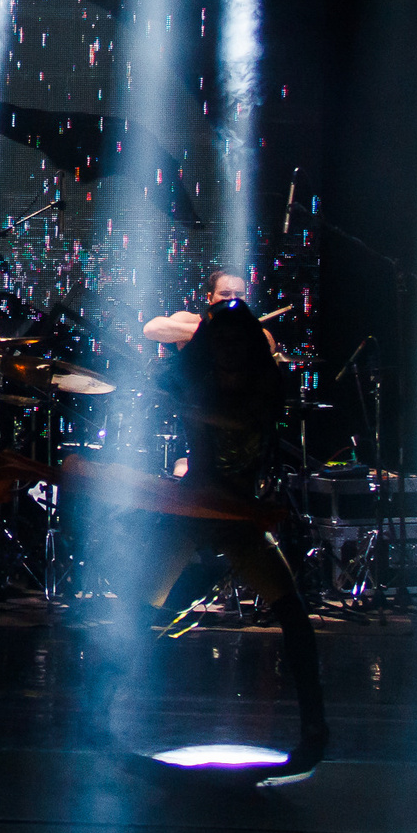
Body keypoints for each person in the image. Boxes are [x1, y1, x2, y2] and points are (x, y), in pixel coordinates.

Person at [122, 269, 325, 772]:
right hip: (196, 509)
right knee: (137, 611)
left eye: (239, 341)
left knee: (292, 614)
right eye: (223, 341)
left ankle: (315, 728)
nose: (231, 351)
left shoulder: (266, 383)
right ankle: (98, 715)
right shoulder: (194, 377)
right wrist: (200, 328)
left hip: (237, 515)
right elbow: (156, 336)